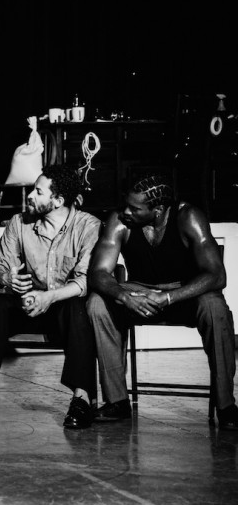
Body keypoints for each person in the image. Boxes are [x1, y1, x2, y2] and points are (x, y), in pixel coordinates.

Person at [87, 174, 237, 429]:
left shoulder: (188, 217)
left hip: (185, 292)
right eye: (126, 205)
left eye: (135, 208)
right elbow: (97, 273)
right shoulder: (119, 221)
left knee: (215, 307)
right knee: (97, 304)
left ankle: (226, 405)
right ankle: (117, 401)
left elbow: (216, 275)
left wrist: (168, 297)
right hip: (139, 292)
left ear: (158, 210)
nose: (126, 212)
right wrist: (124, 295)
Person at [0, 165, 101, 428]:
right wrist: (6, 279)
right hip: (30, 305)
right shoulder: (20, 223)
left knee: (78, 306)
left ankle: (82, 399)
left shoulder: (88, 226)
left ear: (58, 201)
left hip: (64, 308)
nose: (30, 195)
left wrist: (49, 297)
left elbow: (85, 280)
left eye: (38, 192)